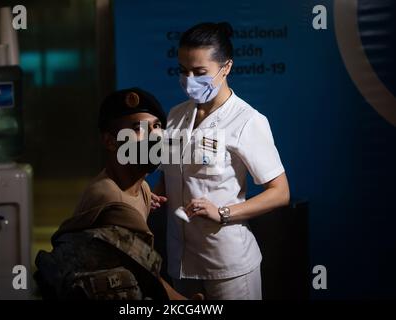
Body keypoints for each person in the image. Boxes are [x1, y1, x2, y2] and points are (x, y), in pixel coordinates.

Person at [152, 22, 290, 300]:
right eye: (183, 71)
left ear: (226, 68)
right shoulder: (176, 115)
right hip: (180, 260)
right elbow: (171, 173)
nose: (189, 80)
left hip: (227, 264)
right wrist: (155, 195)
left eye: (200, 73)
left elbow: (280, 193)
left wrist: (223, 212)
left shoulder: (247, 120)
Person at [34, 88, 197, 300]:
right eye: (138, 129)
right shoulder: (109, 198)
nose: (153, 137)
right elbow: (145, 272)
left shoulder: (142, 188)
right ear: (111, 142)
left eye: (156, 126)